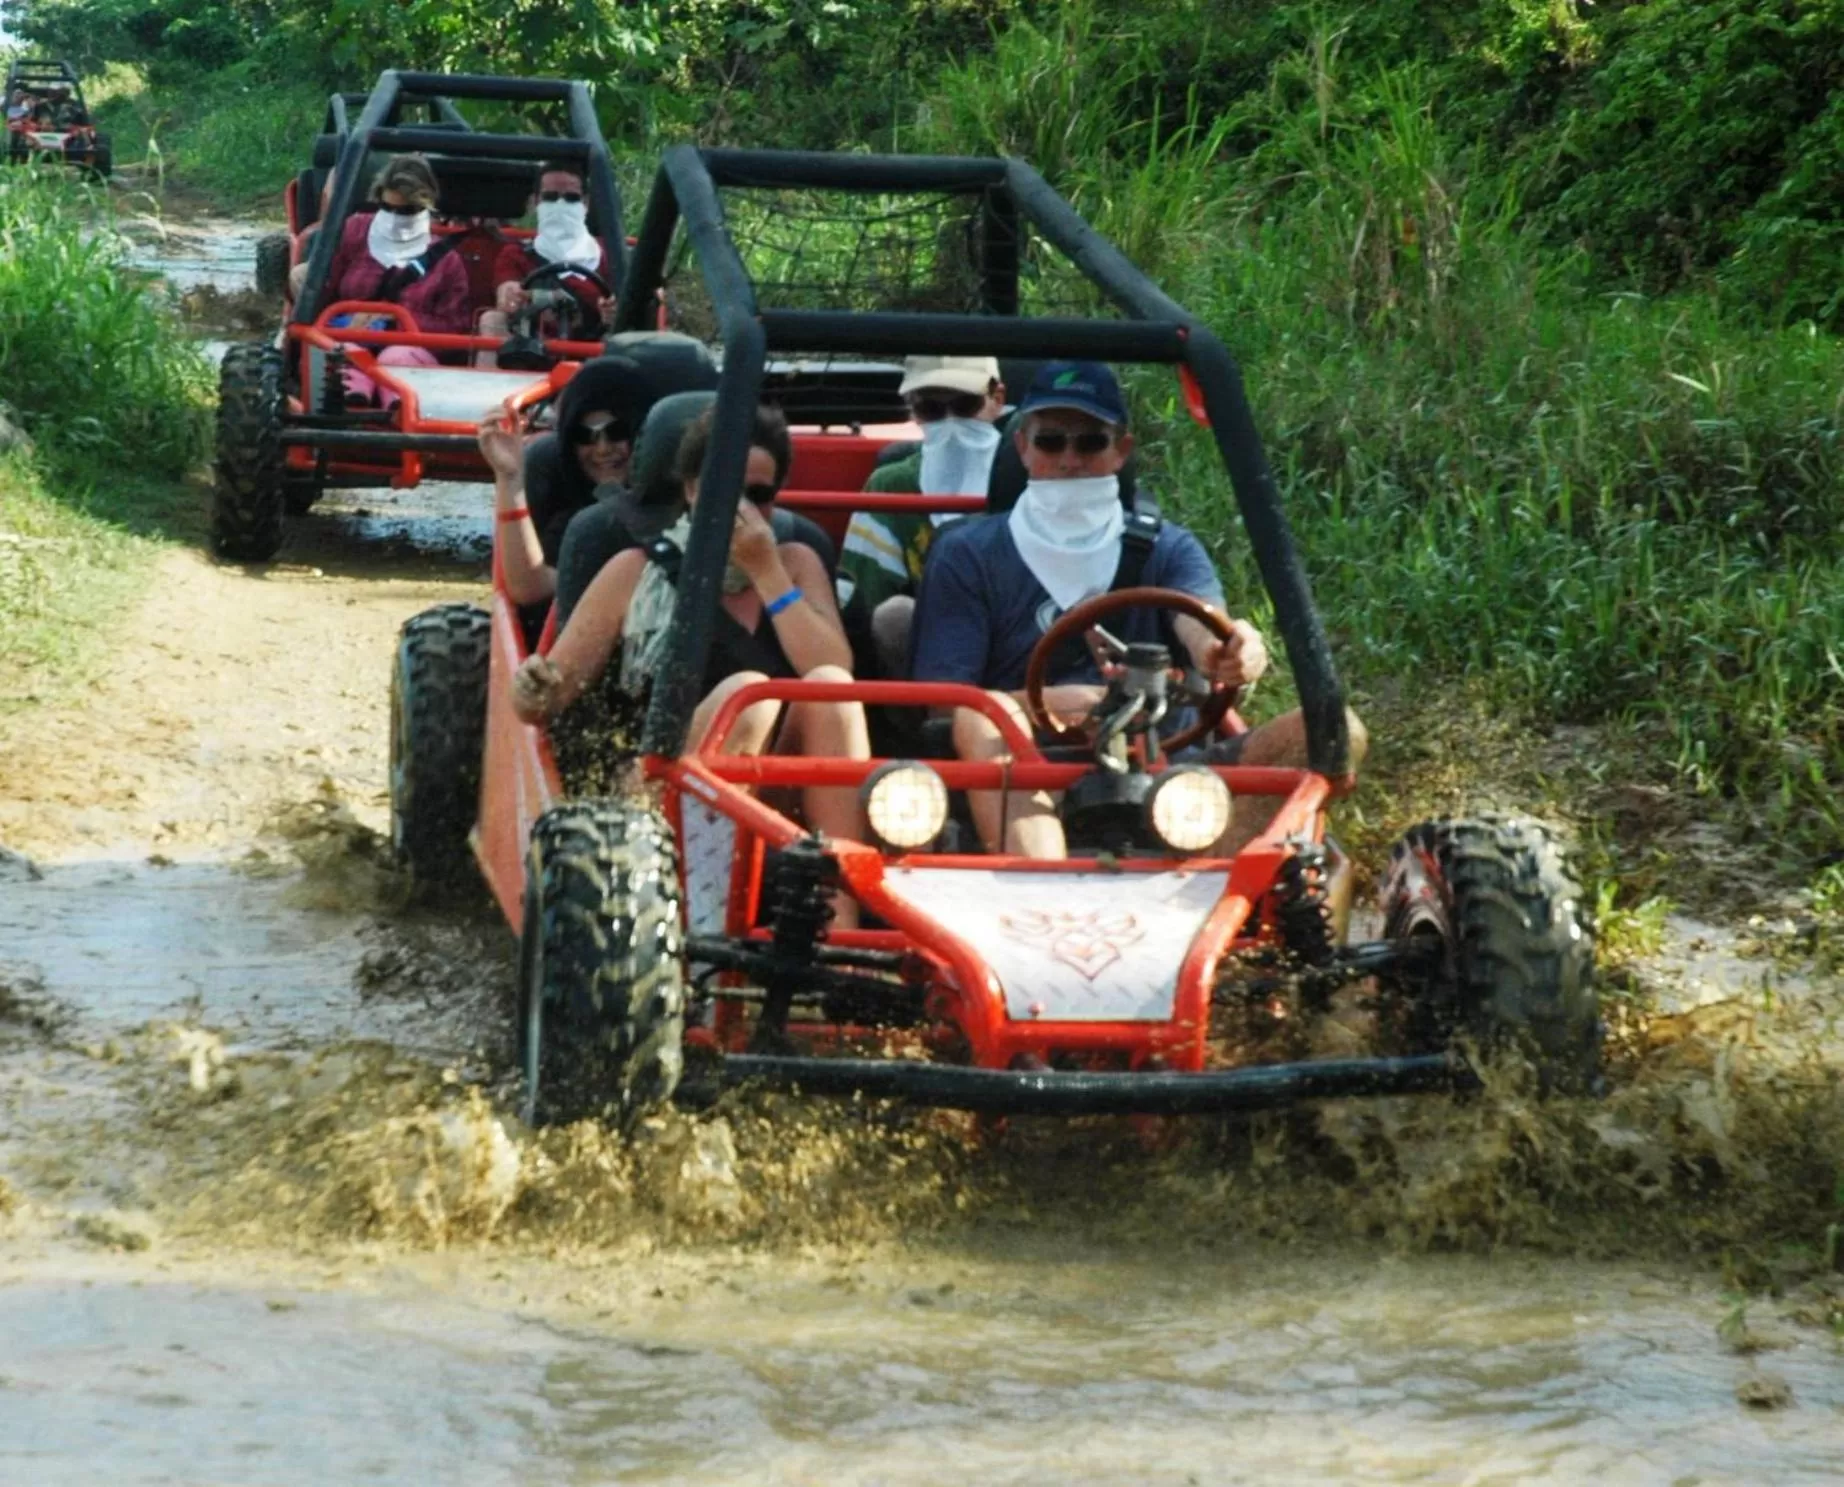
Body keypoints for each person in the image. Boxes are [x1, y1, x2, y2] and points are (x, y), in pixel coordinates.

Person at [910, 360, 1367, 859]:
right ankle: (1040, 880)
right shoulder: (968, 552)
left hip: (1172, 779)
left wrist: (1228, 648)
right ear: (1021, 447)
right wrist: (1054, 704)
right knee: (982, 720)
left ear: (1121, 450)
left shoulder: (1166, 548)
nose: (1068, 460)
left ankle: (1215, 885)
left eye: (1089, 442)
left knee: (1335, 726)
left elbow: (1196, 618)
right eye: (1050, 442)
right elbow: (947, 703)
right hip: (1028, 770)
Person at [510, 404, 871, 890]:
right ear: (692, 489)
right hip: (656, 780)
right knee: (749, 697)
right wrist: (531, 685)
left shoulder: (795, 563)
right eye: (726, 492)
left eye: (758, 496)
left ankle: (842, 922)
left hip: (780, 791)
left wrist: (767, 573)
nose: (741, 509)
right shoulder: (633, 570)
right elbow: (549, 696)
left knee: (826, 687)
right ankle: (708, 915)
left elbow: (833, 671)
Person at [836, 354, 1006, 677]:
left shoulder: (1024, 477)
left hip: (1016, 634)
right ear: (913, 410)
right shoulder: (890, 486)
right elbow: (865, 602)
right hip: (928, 655)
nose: (951, 422)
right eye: (932, 409)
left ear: (996, 399)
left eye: (965, 405)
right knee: (894, 615)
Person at [478, 355, 656, 608]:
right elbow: (529, 589)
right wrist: (510, 478)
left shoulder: (684, 506)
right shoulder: (576, 529)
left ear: (642, 433)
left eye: (617, 432)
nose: (603, 449)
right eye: (584, 436)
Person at [285, 154, 471, 335]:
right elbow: (329, 285)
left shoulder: (446, 260)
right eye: (387, 208)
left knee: (397, 355)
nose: (394, 218)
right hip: (346, 334)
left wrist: (393, 320)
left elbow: (456, 325)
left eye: (406, 210)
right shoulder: (356, 230)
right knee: (302, 277)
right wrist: (310, 286)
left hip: (405, 349)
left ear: (425, 206)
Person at [476, 161, 611, 366]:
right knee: (492, 320)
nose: (560, 205)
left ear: (586, 203)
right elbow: (507, 293)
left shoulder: (611, 254)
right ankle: (488, 395)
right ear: (535, 202)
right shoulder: (516, 255)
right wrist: (513, 296)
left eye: (571, 198)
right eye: (550, 197)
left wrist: (614, 309)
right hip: (532, 346)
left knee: (621, 332)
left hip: (593, 349)